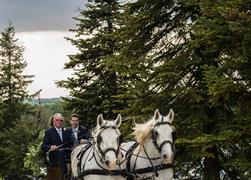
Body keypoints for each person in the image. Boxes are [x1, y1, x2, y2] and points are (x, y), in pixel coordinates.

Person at [42, 113, 72, 177]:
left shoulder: (67, 130)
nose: (59, 122)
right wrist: (51, 146)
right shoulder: (49, 132)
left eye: (61, 120)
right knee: (60, 152)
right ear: (54, 121)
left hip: (67, 153)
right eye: (57, 120)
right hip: (54, 154)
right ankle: (65, 173)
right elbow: (44, 146)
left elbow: (71, 142)